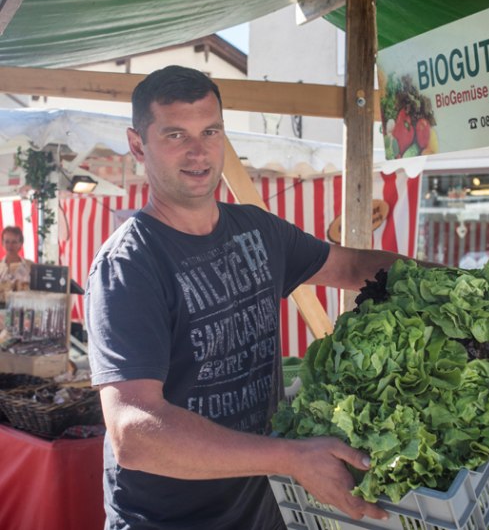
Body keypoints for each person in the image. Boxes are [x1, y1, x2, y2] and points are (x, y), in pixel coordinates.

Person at [86, 65, 424, 530]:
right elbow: (134, 432)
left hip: (262, 513)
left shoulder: (257, 230)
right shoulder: (129, 264)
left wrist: (462, 288)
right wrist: (291, 457)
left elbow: (351, 267)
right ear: (138, 144)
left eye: (210, 130)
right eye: (175, 135)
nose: (198, 151)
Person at [0, 225, 33, 305]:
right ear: (2, 243)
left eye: (14, 242)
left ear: (21, 243)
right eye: (7, 241)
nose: (10, 245)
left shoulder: (30, 266)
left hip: (24, 309)